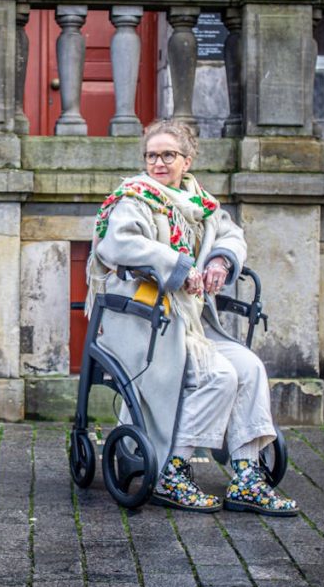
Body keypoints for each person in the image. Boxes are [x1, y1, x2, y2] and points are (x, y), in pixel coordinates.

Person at [86, 119, 298, 517]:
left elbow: (231, 235)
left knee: (249, 367)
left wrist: (221, 259)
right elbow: (119, 244)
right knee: (220, 375)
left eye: (168, 155)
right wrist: (179, 266)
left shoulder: (201, 204)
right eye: (152, 155)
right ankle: (172, 470)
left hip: (188, 323)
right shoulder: (133, 198)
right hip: (142, 320)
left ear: (187, 160)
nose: (158, 163)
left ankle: (247, 475)